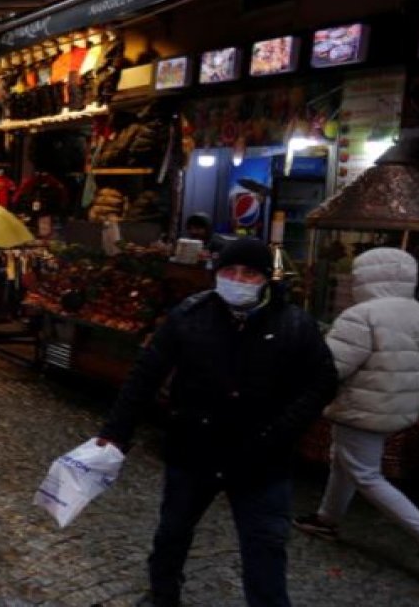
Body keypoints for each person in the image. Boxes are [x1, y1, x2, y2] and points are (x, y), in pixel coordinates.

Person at [96, 237, 338, 607]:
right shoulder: (189, 315)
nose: (238, 280)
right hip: (195, 448)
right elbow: (146, 373)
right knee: (172, 531)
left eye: (249, 273)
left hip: (261, 459)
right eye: (229, 271)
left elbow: (322, 383)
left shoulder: (294, 324)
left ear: (265, 279)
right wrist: (116, 431)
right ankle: (162, 595)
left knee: (265, 546)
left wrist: (282, 432)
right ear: (217, 273)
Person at [292, 248, 419, 581]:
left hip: (361, 409)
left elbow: (331, 368)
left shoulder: (361, 315)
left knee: (365, 473)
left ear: (364, 277)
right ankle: (326, 519)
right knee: (344, 461)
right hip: (398, 411)